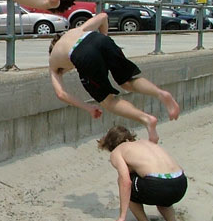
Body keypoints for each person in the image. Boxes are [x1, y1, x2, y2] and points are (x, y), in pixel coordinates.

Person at [48, 12, 180, 143]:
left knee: (108, 101)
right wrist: (103, 41)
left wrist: (88, 108)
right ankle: (161, 94)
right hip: (99, 40)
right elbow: (103, 16)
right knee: (127, 81)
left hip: (82, 54)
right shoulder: (75, 30)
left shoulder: (53, 63)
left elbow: (61, 94)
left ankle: (147, 119)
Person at [96, 125, 187, 221]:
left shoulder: (117, 151)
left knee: (126, 185)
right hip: (180, 183)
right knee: (163, 196)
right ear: (129, 137)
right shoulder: (145, 143)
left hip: (158, 185)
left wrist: (122, 216)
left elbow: (125, 181)